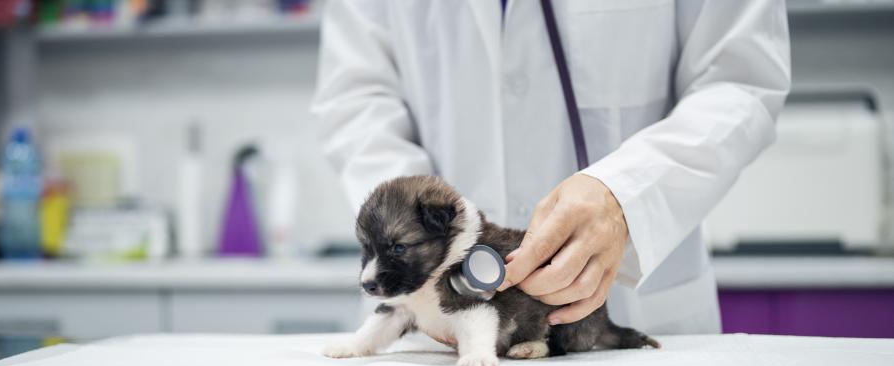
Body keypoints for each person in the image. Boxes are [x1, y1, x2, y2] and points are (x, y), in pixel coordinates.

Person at [312, 0, 790, 335]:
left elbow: (740, 79)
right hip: (431, 315)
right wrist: (414, 240)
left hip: (629, 311)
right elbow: (355, 99)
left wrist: (626, 197)